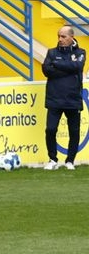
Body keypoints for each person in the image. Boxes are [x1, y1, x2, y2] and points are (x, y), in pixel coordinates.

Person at [42, 26, 85, 170]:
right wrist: (69, 69)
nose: (60, 39)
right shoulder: (51, 52)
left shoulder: (81, 52)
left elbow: (78, 66)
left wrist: (58, 65)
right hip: (54, 98)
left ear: (71, 37)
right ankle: (52, 159)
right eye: (59, 36)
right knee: (51, 130)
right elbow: (47, 70)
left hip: (73, 98)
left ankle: (70, 161)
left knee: (74, 131)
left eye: (63, 36)